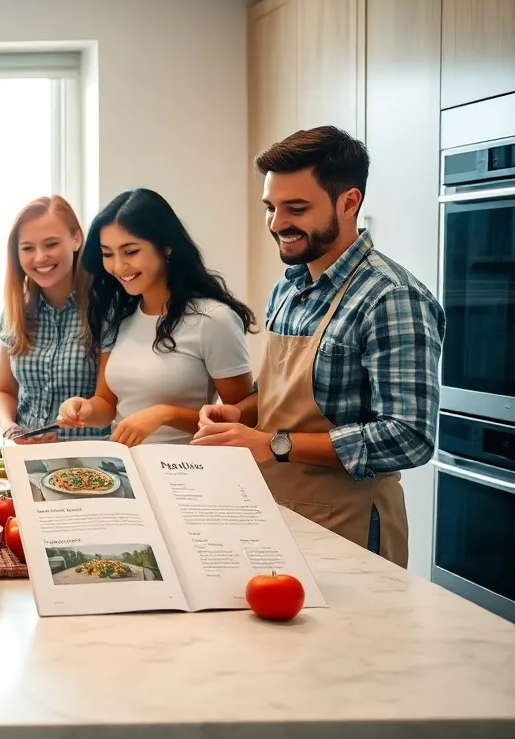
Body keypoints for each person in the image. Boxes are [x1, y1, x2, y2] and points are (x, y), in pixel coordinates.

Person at [193, 126, 444, 567]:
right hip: (273, 515)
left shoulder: (390, 297)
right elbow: (278, 400)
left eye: (296, 208)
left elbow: (410, 437)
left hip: (352, 527)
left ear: (349, 202)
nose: (276, 223)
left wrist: (274, 445)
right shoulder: (288, 288)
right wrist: (241, 414)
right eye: (270, 207)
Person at [57, 188, 256, 445]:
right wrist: (84, 408)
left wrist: (165, 415)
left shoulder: (213, 319)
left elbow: (244, 418)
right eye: (108, 254)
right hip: (125, 469)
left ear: (166, 247)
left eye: (131, 252)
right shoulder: (120, 315)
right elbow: (106, 404)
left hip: (184, 474)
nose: (118, 266)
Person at [0, 195, 110, 444]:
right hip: (26, 460)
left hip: (89, 464)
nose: (39, 257)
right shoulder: (16, 311)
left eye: (51, 244)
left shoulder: (104, 309)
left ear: (76, 239)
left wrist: (84, 410)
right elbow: (3, 392)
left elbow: (108, 404)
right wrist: (10, 429)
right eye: (27, 248)